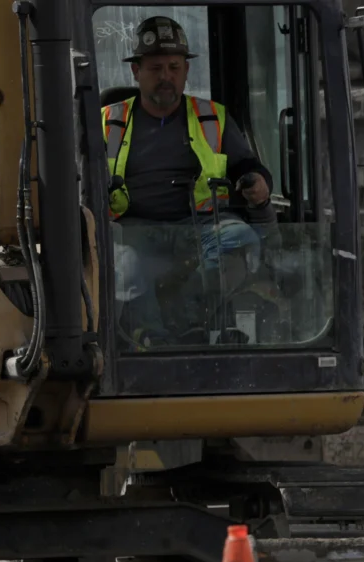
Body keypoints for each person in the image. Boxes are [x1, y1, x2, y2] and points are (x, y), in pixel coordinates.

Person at [102, 16, 275, 346]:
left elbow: (246, 165)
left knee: (239, 240)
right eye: (155, 68)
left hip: (202, 224)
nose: (165, 76)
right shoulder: (109, 122)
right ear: (136, 71)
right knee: (123, 261)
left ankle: (191, 326)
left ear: (185, 70)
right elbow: (82, 178)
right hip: (133, 226)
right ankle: (149, 334)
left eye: (174, 66)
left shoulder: (212, 117)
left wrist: (258, 182)